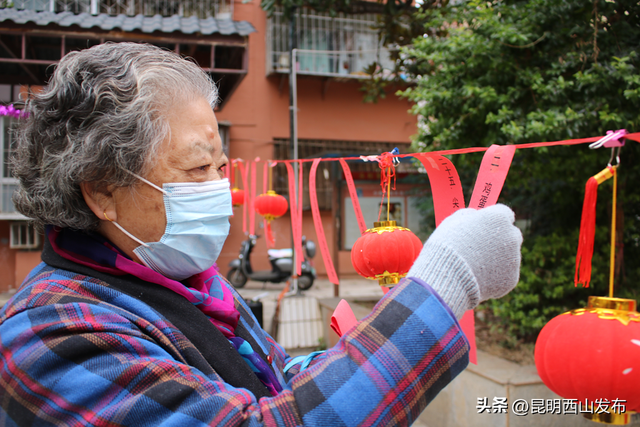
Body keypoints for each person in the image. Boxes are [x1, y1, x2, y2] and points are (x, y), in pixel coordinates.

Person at [0, 42, 523, 426]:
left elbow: (275, 374)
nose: (219, 188)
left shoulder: (190, 287)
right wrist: (444, 282)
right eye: (197, 169)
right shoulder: (51, 331)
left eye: (222, 167)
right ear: (102, 192)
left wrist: (381, 334)